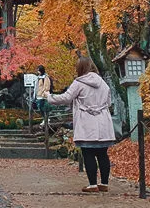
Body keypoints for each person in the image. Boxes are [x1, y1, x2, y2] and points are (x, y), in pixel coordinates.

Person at [45, 57, 115, 193]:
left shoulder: (79, 83)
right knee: (102, 154)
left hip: (86, 123)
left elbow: (66, 98)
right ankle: (104, 183)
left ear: (80, 68)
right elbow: (109, 103)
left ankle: (93, 184)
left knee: (88, 152)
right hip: (103, 123)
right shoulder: (103, 84)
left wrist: (49, 96)